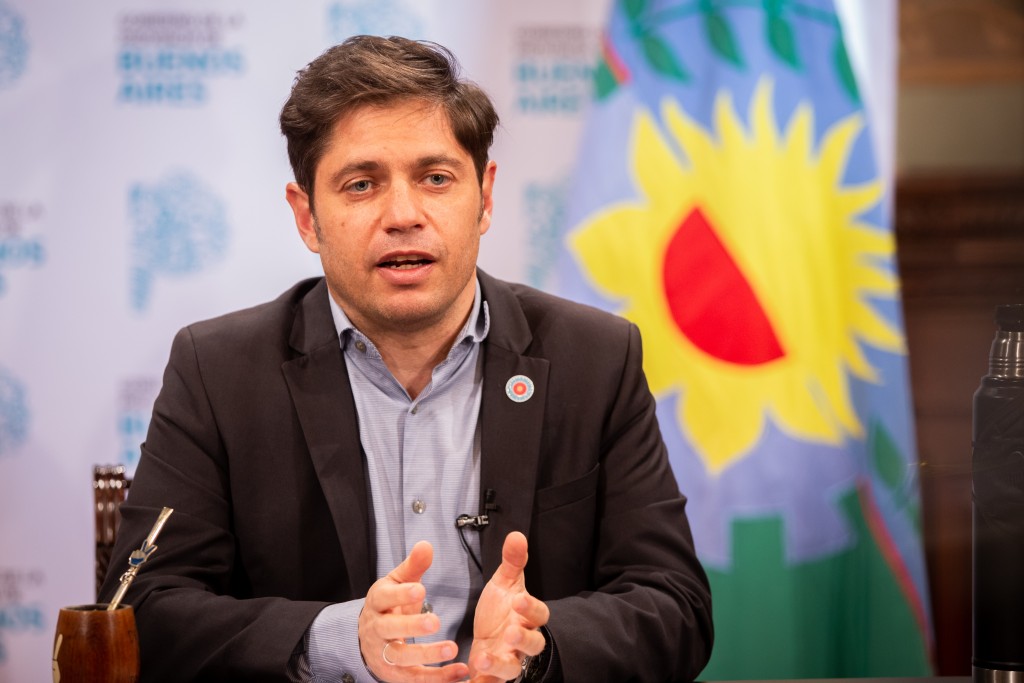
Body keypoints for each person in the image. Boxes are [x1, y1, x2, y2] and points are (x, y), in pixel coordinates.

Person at [100, 35, 713, 683]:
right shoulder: (218, 372)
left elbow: (675, 606)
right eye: (361, 184)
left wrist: (540, 646)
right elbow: (142, 609)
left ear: (485, 196)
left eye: (436, 178)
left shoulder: (594, 359)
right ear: (307, 217)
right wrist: (339, 640)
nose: (403, 215)